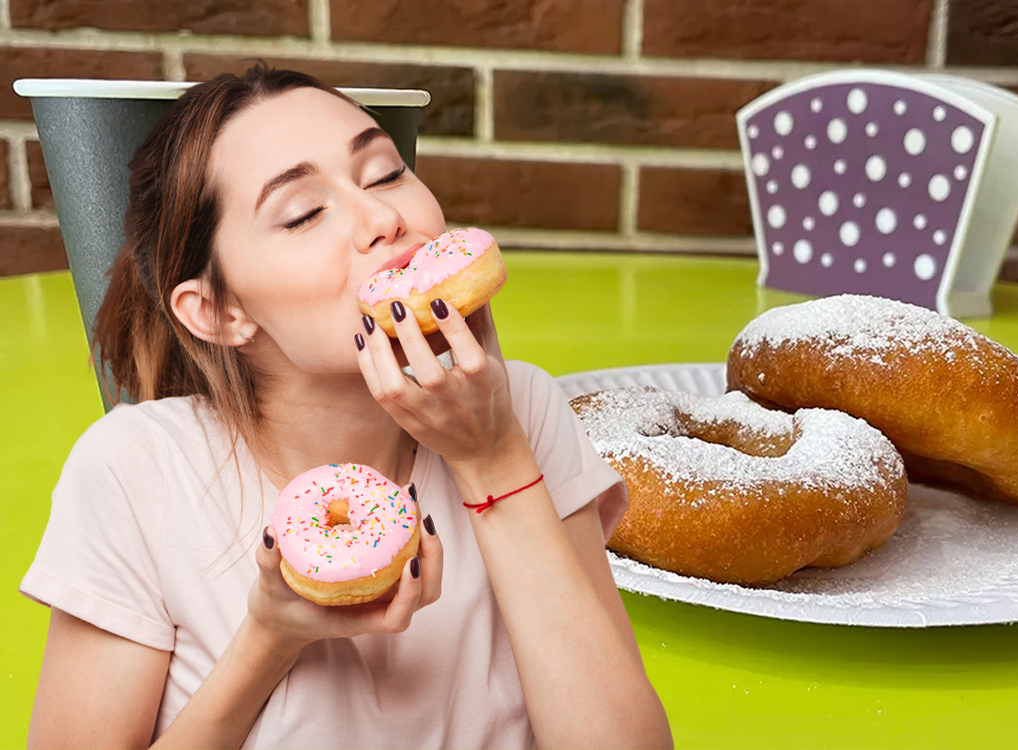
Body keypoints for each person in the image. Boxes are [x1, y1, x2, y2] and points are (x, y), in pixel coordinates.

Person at [20, 61, 672, 749]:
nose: (384, 219)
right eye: (302, 213)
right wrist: (269, 638)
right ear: (218, 311)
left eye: (387, 173)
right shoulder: (136, 470)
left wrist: (493, 459)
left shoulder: (521, 408)